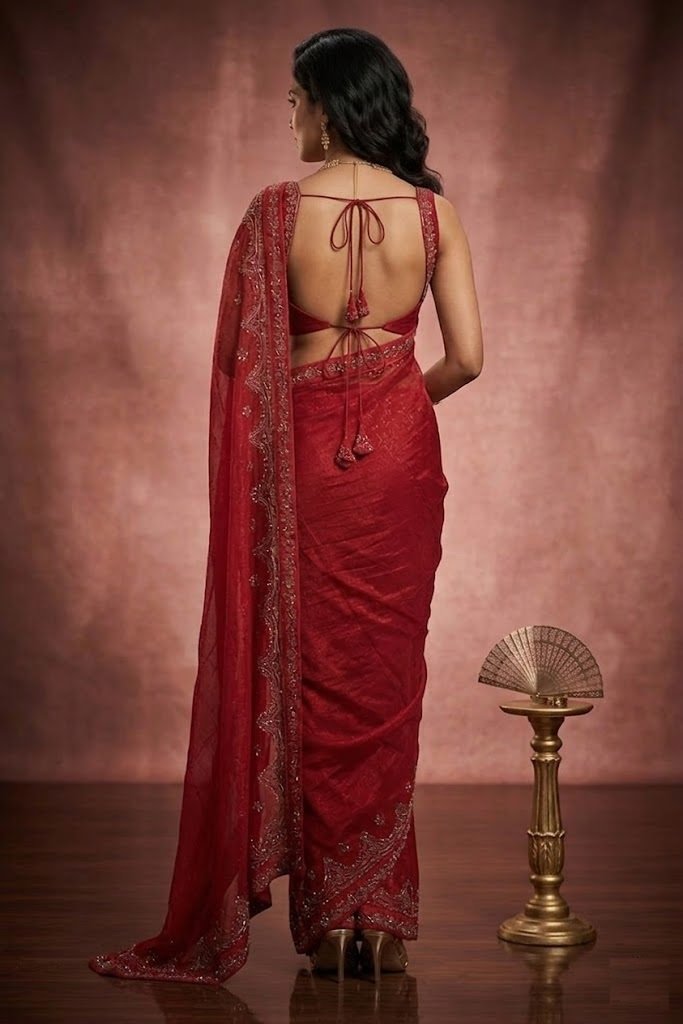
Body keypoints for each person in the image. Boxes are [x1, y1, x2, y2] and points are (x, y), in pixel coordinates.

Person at [88, 26, 483, 988]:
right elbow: (468, 359)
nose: (290, 116)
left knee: (309, 674)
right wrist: (393, 406)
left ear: (329, 106)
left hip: (302, 456)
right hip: (399, 463)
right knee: (384, 676)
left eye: (296, 99)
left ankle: (328, 923)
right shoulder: (433, 214)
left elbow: (241, 373)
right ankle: (375, 920)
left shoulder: (273, 215)